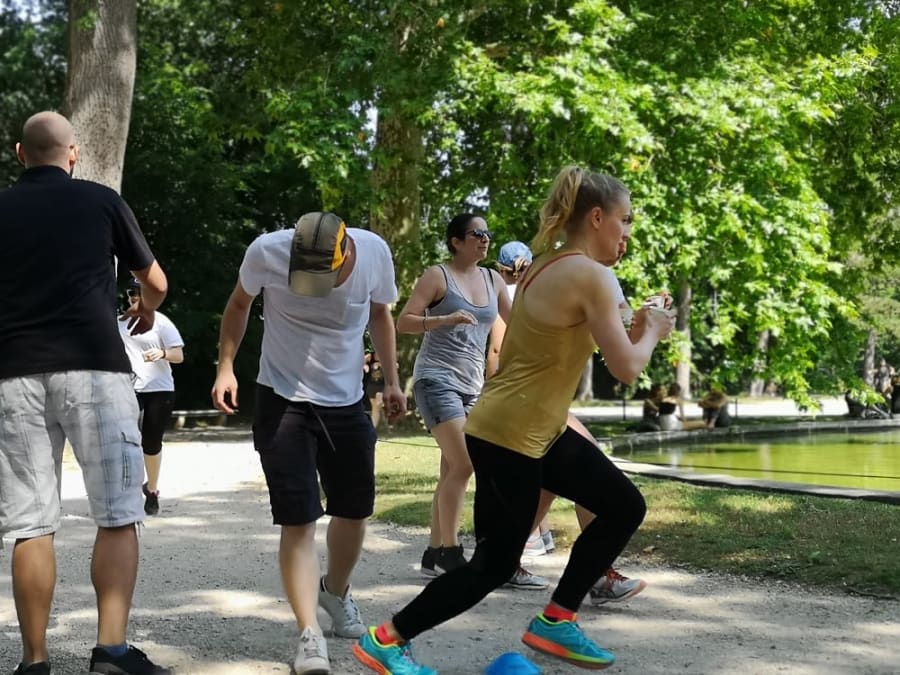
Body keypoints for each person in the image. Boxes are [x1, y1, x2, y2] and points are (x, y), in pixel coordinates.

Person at [354, 166, 674, 674]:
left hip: (527, 430)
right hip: (512, 435)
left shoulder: (545, 267)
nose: (627, 233)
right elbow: (629, 367)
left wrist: (640, 324)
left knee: (620, 504)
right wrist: (653, 331)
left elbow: (580, 342)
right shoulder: (592, 275)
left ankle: (556, 618)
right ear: (596, 217)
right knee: (495, 564)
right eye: (625, 220)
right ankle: (387, 640)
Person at [0, 111, 171, 675]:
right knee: (119, 513)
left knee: (31, 523)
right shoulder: (101, 201)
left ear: (21, 155)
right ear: (72, 154)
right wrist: (144, 310)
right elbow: (157, 282)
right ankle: (112, 653)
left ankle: (34, 661)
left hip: (15, 373)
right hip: (95, 370)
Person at [211, 211, 406, 675]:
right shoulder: (267, 251)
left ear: (347, 255)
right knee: (298, 518)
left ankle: (335, 593)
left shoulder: (375, 252)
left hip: (346, 399)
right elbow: (238, 304)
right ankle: (309, 634)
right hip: (282, 397)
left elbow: (380, 315)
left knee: (354, 509)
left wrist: (393, 381)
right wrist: (225, 365)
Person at [397, 216, 541, 588]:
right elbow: (404, 321)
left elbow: (522, 323)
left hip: (472, 387)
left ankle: (433, 554)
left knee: (451, 470)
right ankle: (450, 551)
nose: (486, 240)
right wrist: (441, 320)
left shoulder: (494, 280)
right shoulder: (437, 276)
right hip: (435, 380)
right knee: (465, 464)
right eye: (478, 234)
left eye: (488, 234)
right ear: (456, 241)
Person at [118, 277, 185, 516]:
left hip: (160, 388)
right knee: (127, 439)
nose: (135, 298)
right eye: (131, 293)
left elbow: (179, 356)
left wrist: (163, 353)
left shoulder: (162, 322)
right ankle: (127, 492)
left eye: (139, 293)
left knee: (151, 441)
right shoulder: (119, 323)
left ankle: (152, 488)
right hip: (130, 388)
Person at [362, 351, 385, 429]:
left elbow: (395, 365)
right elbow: (360, 362)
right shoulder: (370, 356)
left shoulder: (385, 355)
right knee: (374, 407)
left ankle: (372, 426)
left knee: (378, 404)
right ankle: (372, 427)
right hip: (371, 385)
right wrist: (365, 366)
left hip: (382, 385)